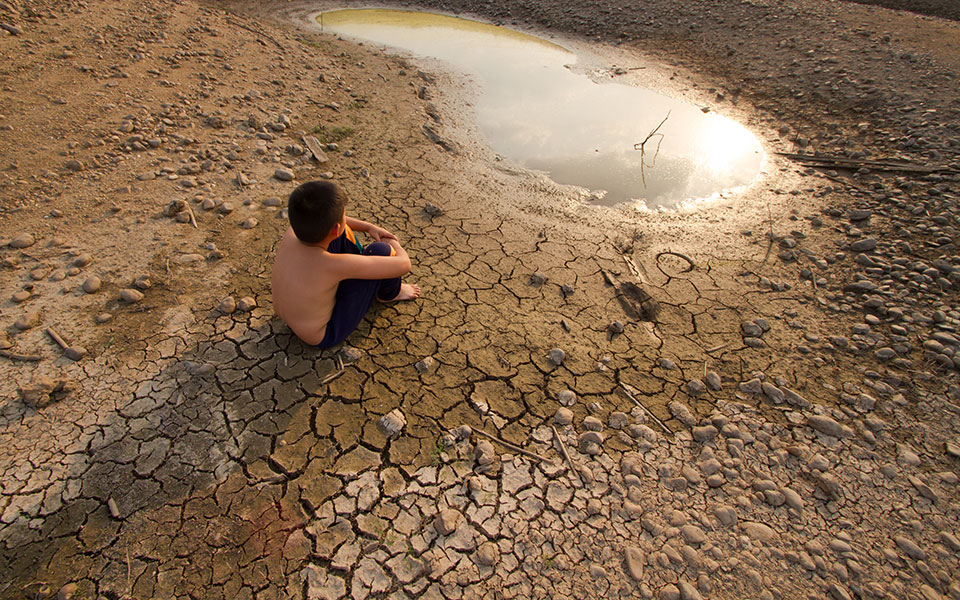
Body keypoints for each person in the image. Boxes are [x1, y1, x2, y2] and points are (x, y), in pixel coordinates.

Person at [271, 181, 420, 348]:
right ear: (335, 227)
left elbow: (336, 223)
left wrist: (369, 227)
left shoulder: (293, 232)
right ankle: (390, 293)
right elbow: (404, 264)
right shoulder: (332, 265)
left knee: (340, 233)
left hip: (290, 317)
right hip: (324, 334)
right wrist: (393, 242)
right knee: (382, 250)